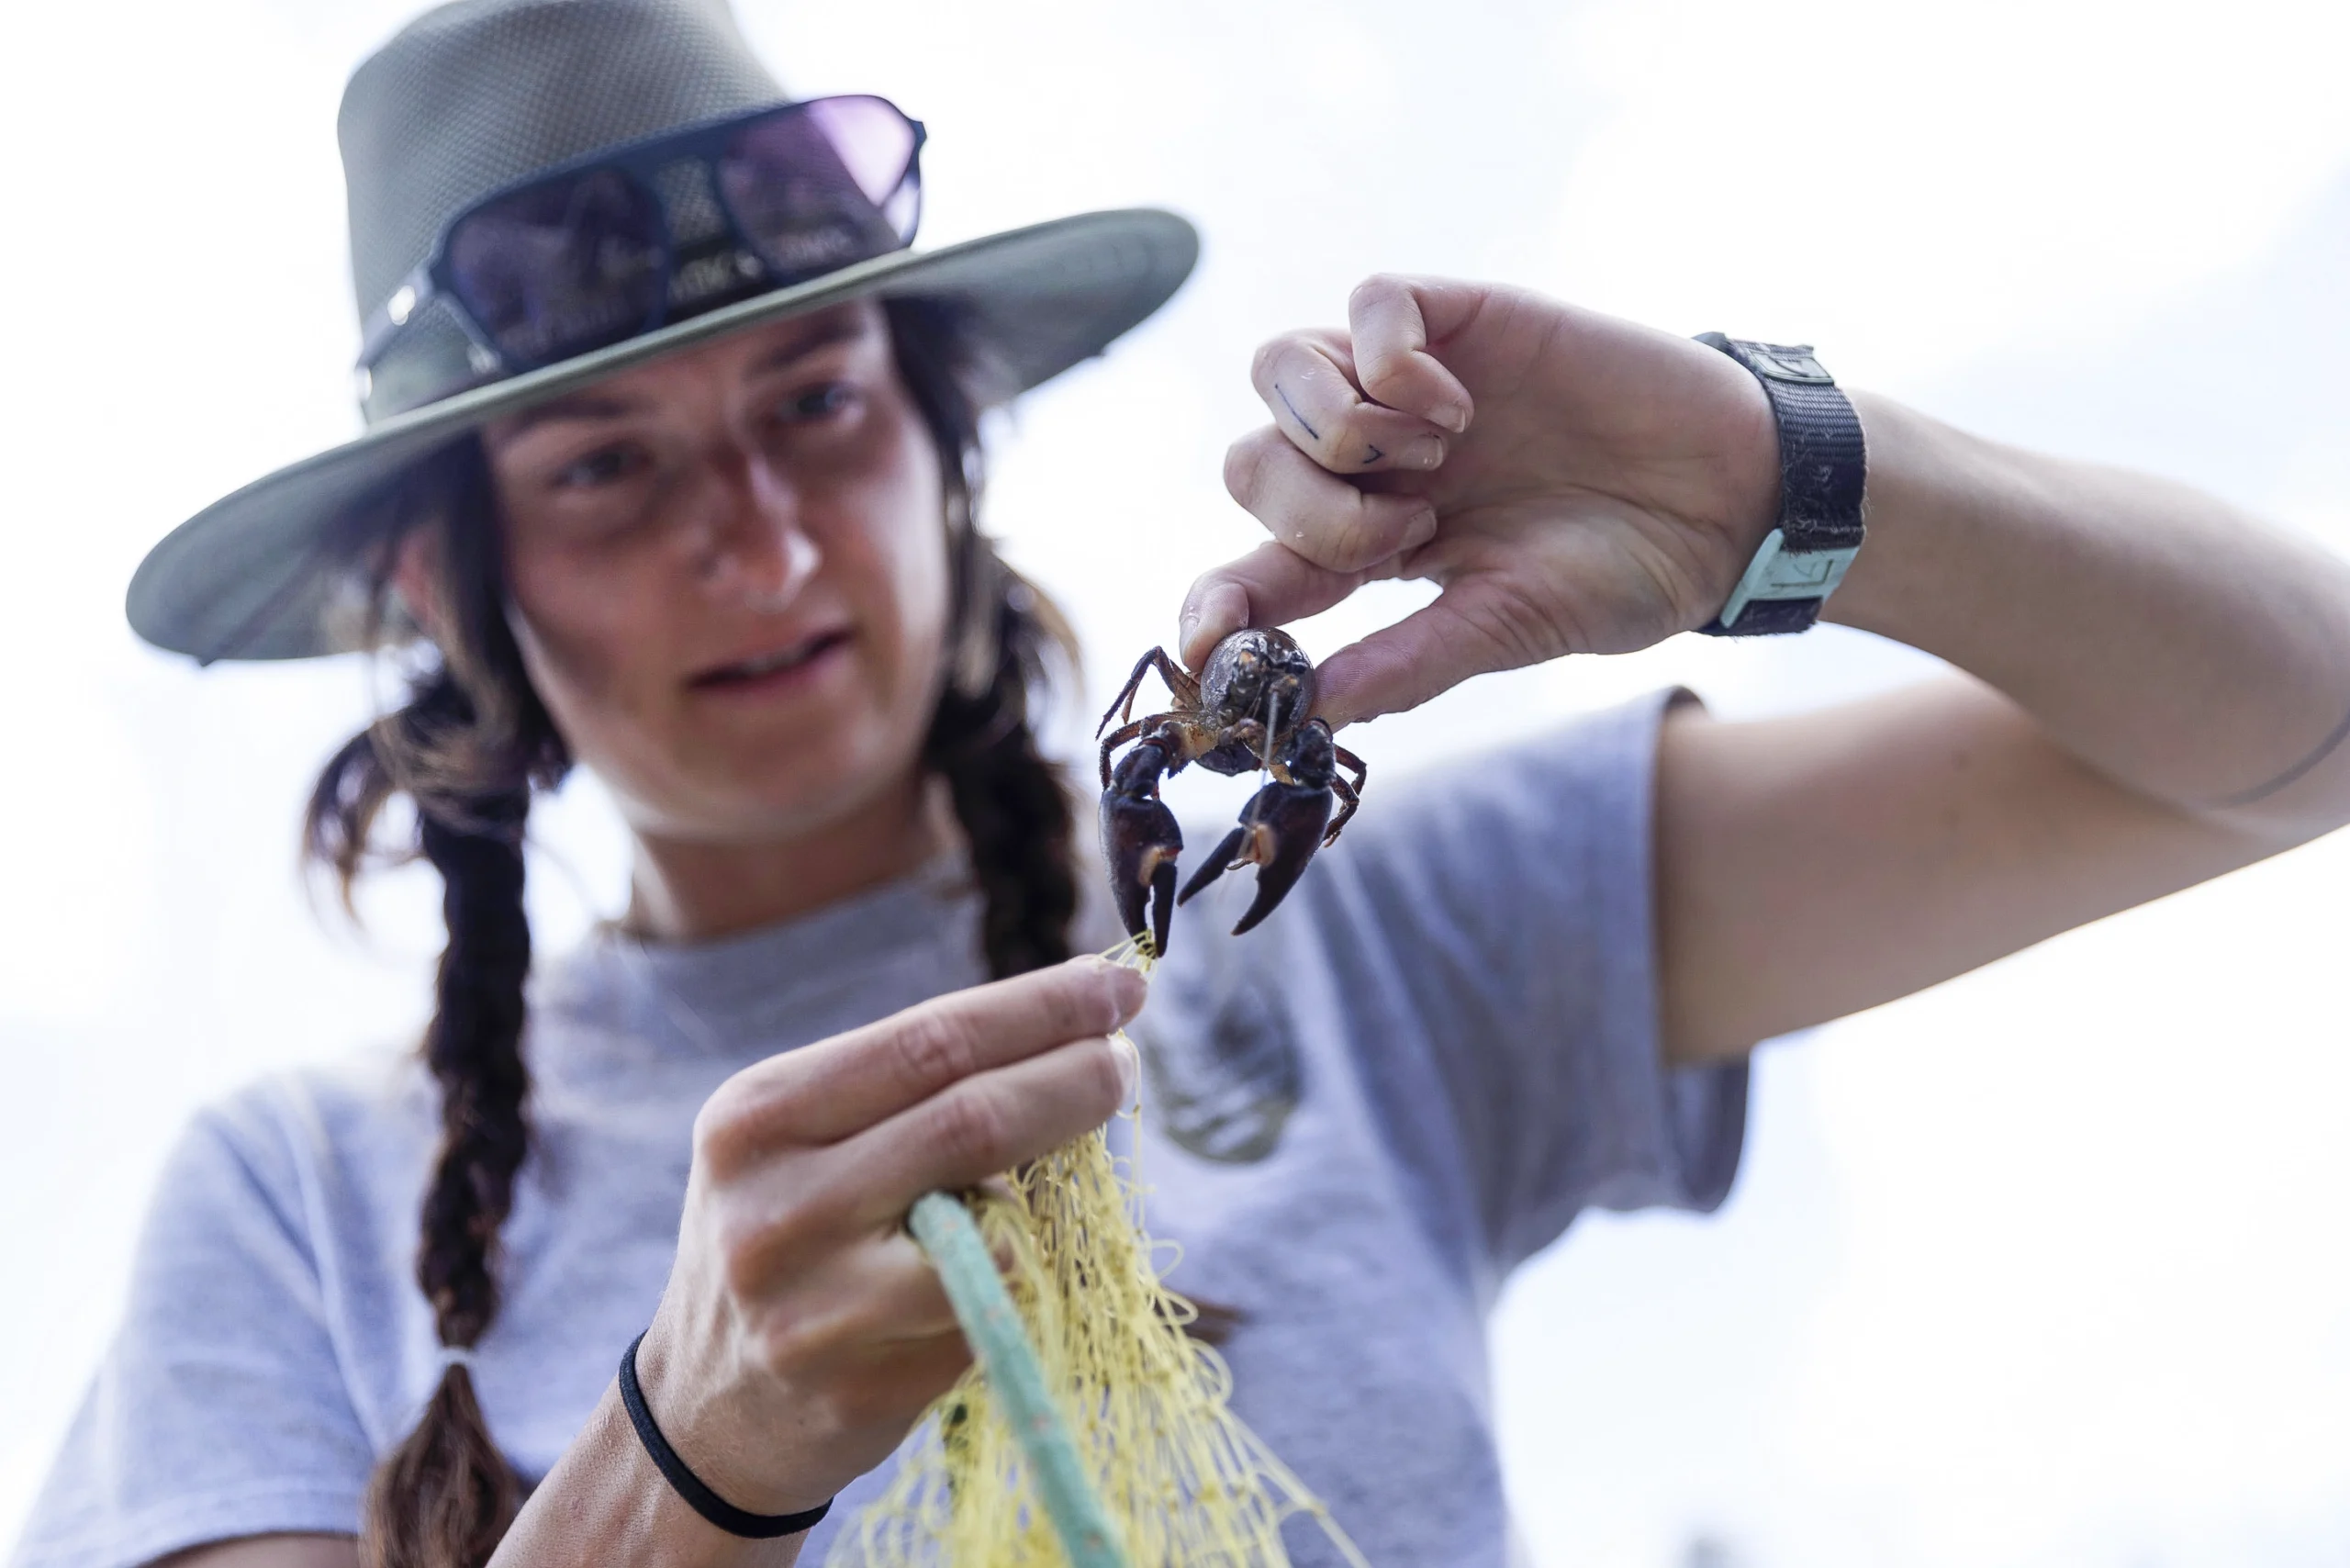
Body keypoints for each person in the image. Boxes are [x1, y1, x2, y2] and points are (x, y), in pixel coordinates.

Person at [16, 0, 2350, 1564]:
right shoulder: (292, 1205)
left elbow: (2292, 737)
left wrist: (1775, 476)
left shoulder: (1362, 925)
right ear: (457, 585)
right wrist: (679, 1463)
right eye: (605, 466)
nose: (764, 540)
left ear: (941, 439)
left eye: (814, 403)